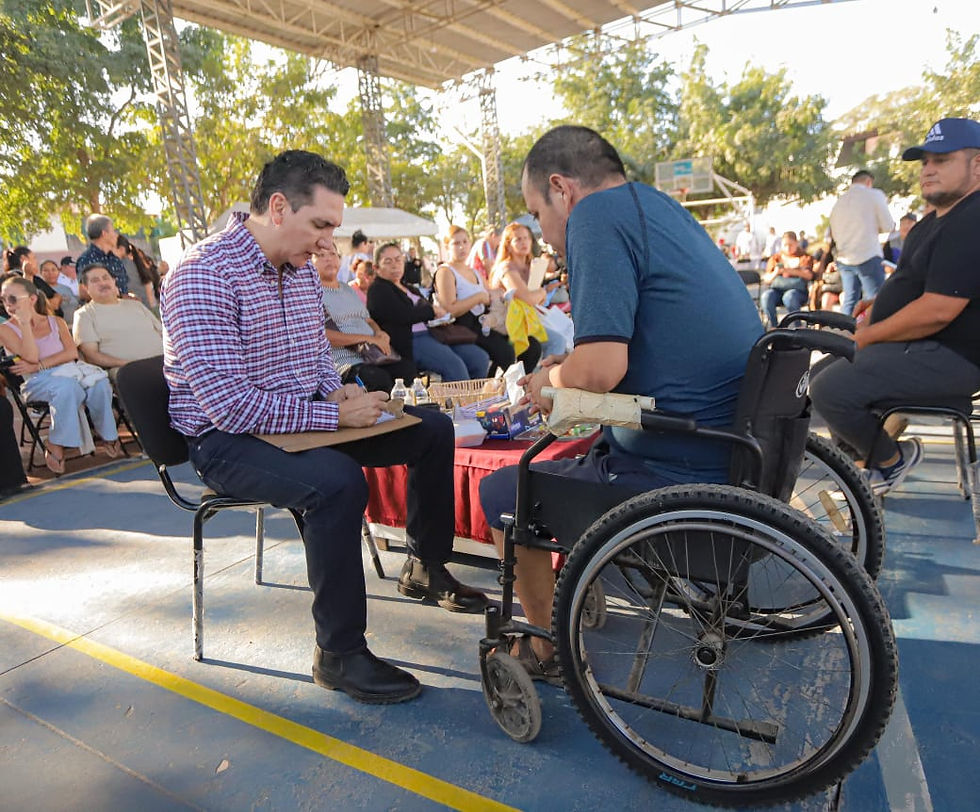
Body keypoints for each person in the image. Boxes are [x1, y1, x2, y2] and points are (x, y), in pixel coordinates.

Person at [161, 150, 487, 705]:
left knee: (432, 429)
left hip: (301, 419)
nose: (325, 242)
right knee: (337, 483)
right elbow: (229, 408)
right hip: (224, 441)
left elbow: (313, 355)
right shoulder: (202, 274)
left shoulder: (300, 272)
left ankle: (425, 566)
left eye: (332, 228)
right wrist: (335, 414)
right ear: (278, 208)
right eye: (320, 225)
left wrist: (338, 390)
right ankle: (338, 654)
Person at [478, 126, 763, 678]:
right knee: (580, 453)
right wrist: (570, 368)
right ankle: (571, 584)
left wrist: (550, 378)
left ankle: (545, 646)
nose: (543, 234)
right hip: (731, 449)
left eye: (537, 214)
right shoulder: (657, 206)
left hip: (675, 469)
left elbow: (602, 370)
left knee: (502, 492)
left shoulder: (593, 218)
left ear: (561, 189)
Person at [811, 117, 980, 494]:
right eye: (925, 162)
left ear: (977, 165)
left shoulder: (973, 219)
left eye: (942, 160)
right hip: (919, 347)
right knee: (818, 374)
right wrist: (879, 302)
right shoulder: (931, 223)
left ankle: (890, 460)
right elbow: (916, 284)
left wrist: (868, 336)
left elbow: (938, 310)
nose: (928, 170)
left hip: (953, 356)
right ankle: (862, 465)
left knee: (830, 389)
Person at [0, 275, 122, 474]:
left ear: (31, 299)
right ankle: (56, 441)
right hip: (37, 383)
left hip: (69, 372)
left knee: (99, 383)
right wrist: (24, 324)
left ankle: (108, 433)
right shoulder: (5, 330)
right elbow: (30, 356)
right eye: (3, 299)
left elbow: (71, 353)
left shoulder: (56, 322)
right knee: (68, 387)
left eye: (12, 299)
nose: (8, 304)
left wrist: (39, 365)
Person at [368, 241, 490, 382]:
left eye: (398, 259)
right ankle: (460, 396)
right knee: (454, 366)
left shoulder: (409, 288)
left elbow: (425, 311)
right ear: (376, 267)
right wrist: (431, 311)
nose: (395, 265)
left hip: (434, 334)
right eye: (388, 262)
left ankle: (474, 394)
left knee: (479, 358)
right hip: (411, 340)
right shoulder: (378, 289)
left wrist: (439, 317)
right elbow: (403, 315)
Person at [315, 245, 414, 392]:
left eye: (332, 254)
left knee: (406, 370)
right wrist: (367, 338)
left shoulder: (347, 289)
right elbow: (322, 336)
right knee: (378, 379)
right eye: (321, 256)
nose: (328, 259)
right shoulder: (313, 293)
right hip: (345, 361)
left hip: (372, 354)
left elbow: (368, 320)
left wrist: (379, 333)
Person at [434, 225, 516, 376]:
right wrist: (478, 298)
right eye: (456, 243)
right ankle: (490, 386)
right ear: (447, 247)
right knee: (505, 353)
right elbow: (450, 309)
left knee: (523, 346)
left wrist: (497, 294)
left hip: (484, 323)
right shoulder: (446, 272)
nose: (462, 247)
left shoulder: (475, 272)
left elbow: (488, 295)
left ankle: (495, 384)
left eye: (465, 242)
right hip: (463, 327)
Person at [73, 264, 163, 381]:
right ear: (86, 288)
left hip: (164, 362)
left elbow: (162, 333)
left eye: (106, 278)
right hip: (128, 370)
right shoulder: (84, 314)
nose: (102, 283)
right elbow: (91, 356)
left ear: (114, 281)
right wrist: (129, 364)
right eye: (95, 280)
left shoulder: (136, 305)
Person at [828, 170, 894, 315]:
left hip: (844, 258)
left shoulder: (840, 201)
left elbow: (831, 232)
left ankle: (844, 328)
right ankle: (874, 329)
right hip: (868, 255)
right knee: (875, 301)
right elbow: (888, 225)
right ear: (869, 182)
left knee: (849, 301)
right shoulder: (874, 195)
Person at [760, 231, 814, 328]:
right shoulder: (776, 258)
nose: (788, 248)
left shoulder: (804, 257)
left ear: (796, 243)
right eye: (785, 245)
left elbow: (809, 275)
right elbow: (767, 279)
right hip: (778, 290)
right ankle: (775, 326)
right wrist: (776, 272)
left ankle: (798, 326)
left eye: (791, 245)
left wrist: (791, 271)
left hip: (797, 291)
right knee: (766, 297)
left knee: (789, 297)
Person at [76, 214, 129, 296]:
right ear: (104, 233)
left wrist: (129, 297)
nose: (116, 235)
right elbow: (83, 292)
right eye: (113, 231)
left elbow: (124, 287)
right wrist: (113, 295)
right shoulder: (87, 259)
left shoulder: (115, 259)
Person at [39, 260, 80, 327]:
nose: (50, 273)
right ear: (41, 273)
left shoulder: (67, 288)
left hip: (74, 325)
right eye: (46, 270)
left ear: (58, 272)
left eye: (53, 270)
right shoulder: (40, 291)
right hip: (57, 328)